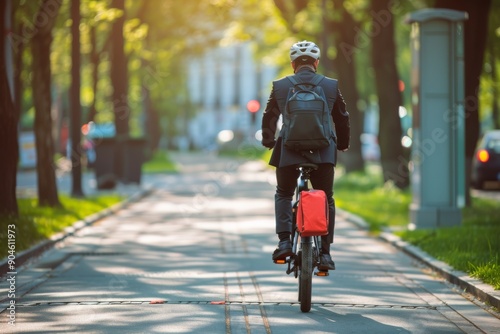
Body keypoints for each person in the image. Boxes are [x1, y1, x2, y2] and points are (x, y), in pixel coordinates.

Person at [261, 40, 350, 271]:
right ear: (316, 63)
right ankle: (326, 252)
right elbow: (342, 117)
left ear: (292, 64)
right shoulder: (330, 86)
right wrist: (342, 144)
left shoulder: (280, 86)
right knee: (326, 197)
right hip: (323, 153)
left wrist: (268, 141)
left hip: (289, 151)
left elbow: (269, 116)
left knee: (283, 193)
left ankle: (283, 242)